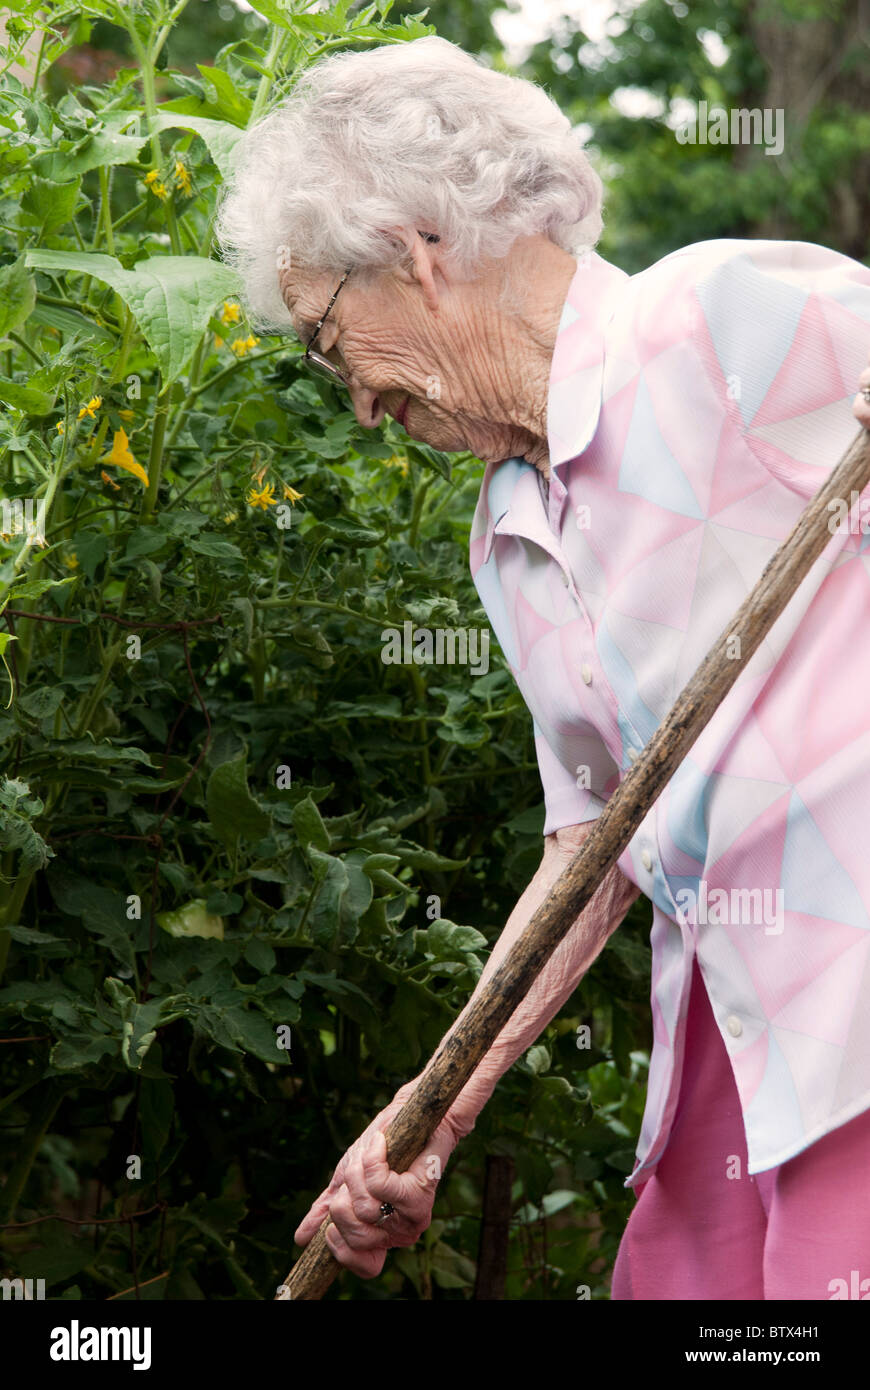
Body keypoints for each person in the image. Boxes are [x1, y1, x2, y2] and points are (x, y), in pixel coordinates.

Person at [216, 35, 870, 1299]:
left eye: (323, 336)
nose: (353, 402)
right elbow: (593, 844)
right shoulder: (511, 533)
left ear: (413, 246)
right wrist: (429, 1115)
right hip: (728, 1055)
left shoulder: (710, 318)